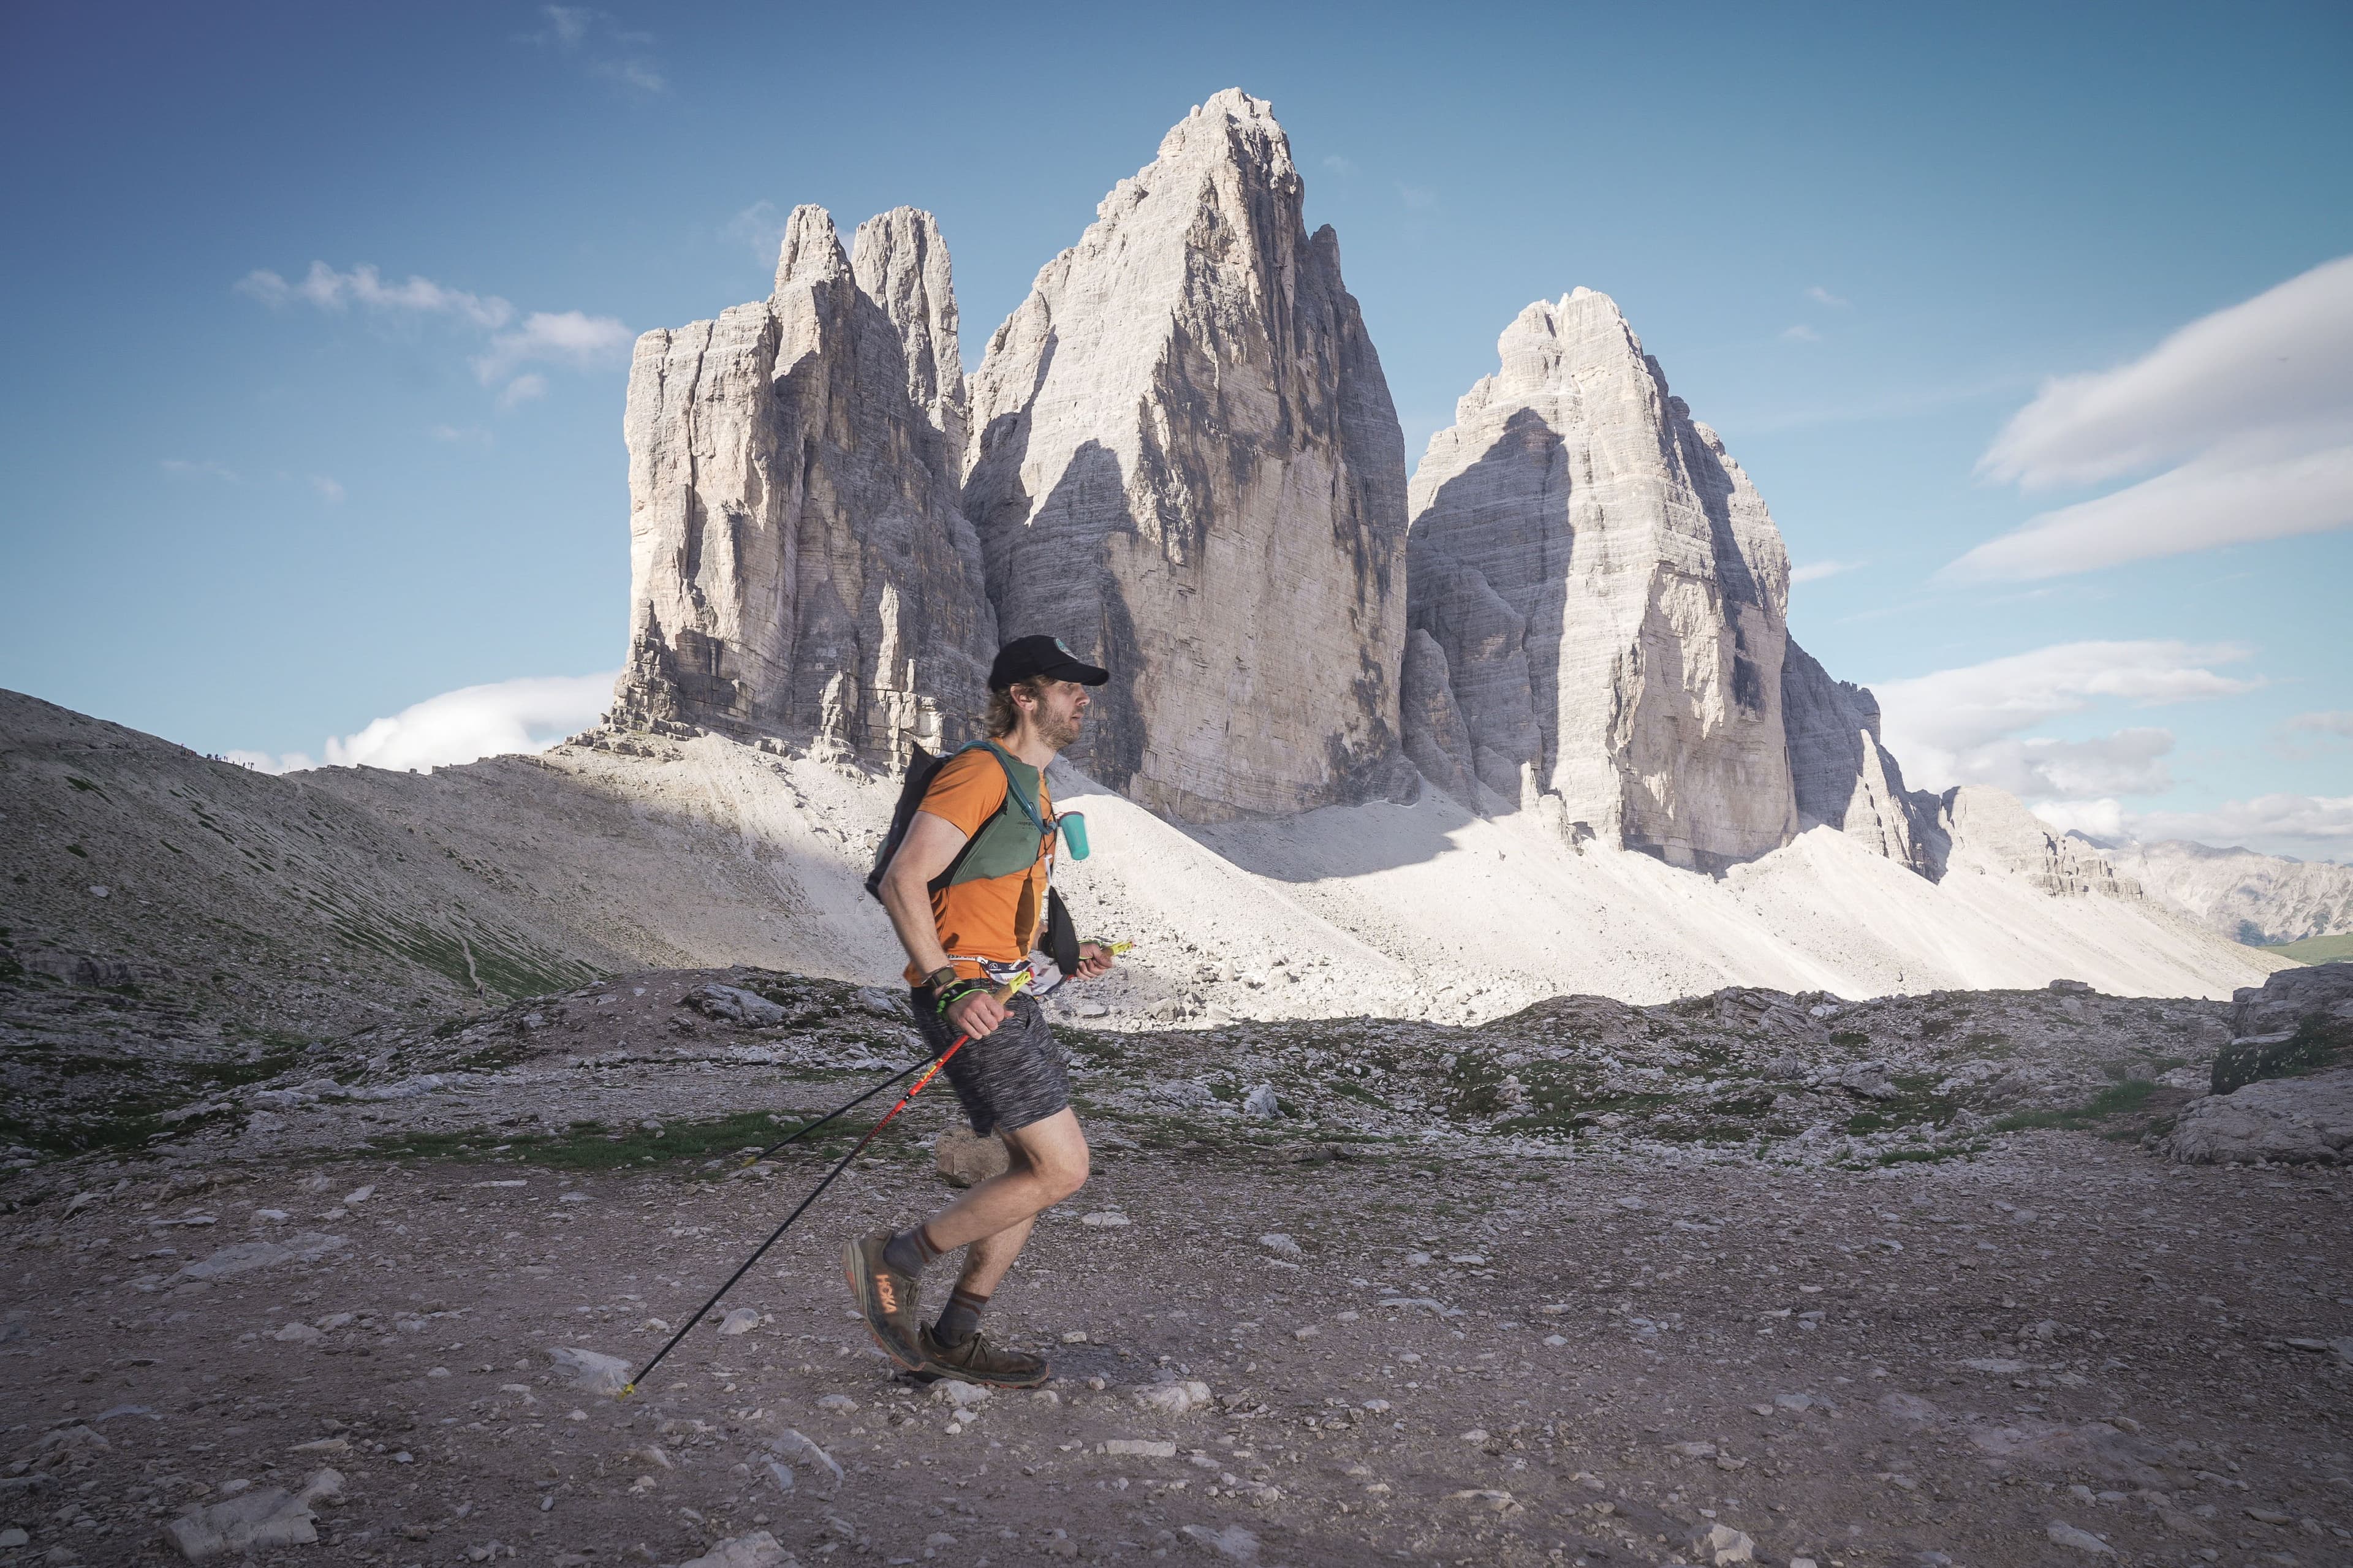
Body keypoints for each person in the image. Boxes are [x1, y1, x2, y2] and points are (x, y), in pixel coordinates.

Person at [845, 634, 1119, 1387]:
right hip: (971, 999)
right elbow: (906, 880)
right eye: (1067, 687)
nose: (1082, 697)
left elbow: (1002, 892)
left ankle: (957, 1335)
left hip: (1007, 996)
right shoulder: (978, 771)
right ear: (1024, 698)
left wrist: (1068, 952)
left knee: (1029, 1167)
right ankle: (894, 1259)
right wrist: (949, 987)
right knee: (1064, 1169)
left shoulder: (1036, 788)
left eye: (1083, 688)